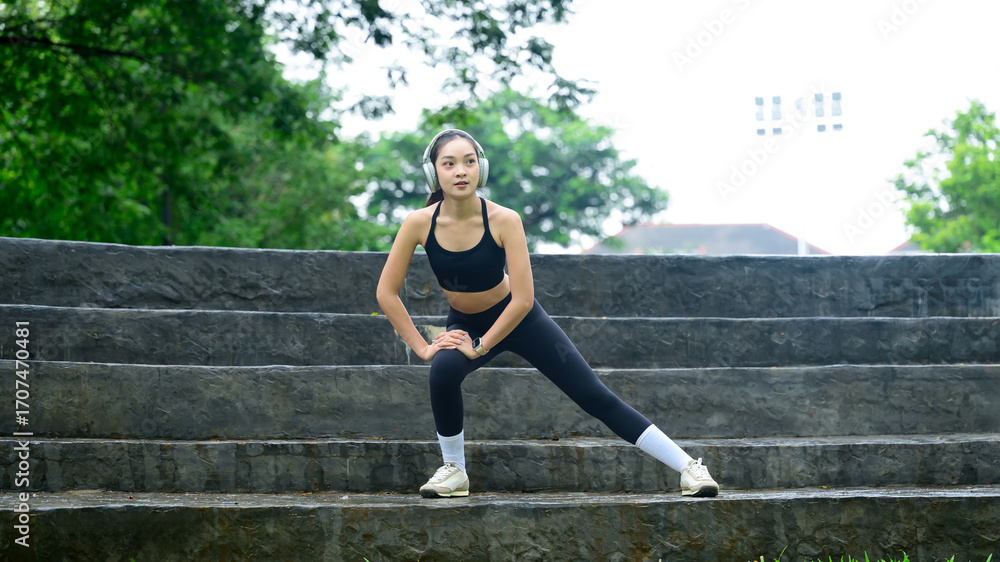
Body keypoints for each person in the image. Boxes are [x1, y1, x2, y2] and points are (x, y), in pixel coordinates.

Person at [375, 129, 719, 499]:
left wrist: (481, 346)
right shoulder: (419, 223)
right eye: (449, 163)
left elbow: (523, 299)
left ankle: (689, 468)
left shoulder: (504, 219)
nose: (461, 171)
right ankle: (454, 470)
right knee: (442, 372)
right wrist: (424, 347)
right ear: (434, 173)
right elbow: (386, 292)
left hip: (521, 320)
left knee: (593, 395)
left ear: (481, 169)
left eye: (469, 161)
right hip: (466, 323)